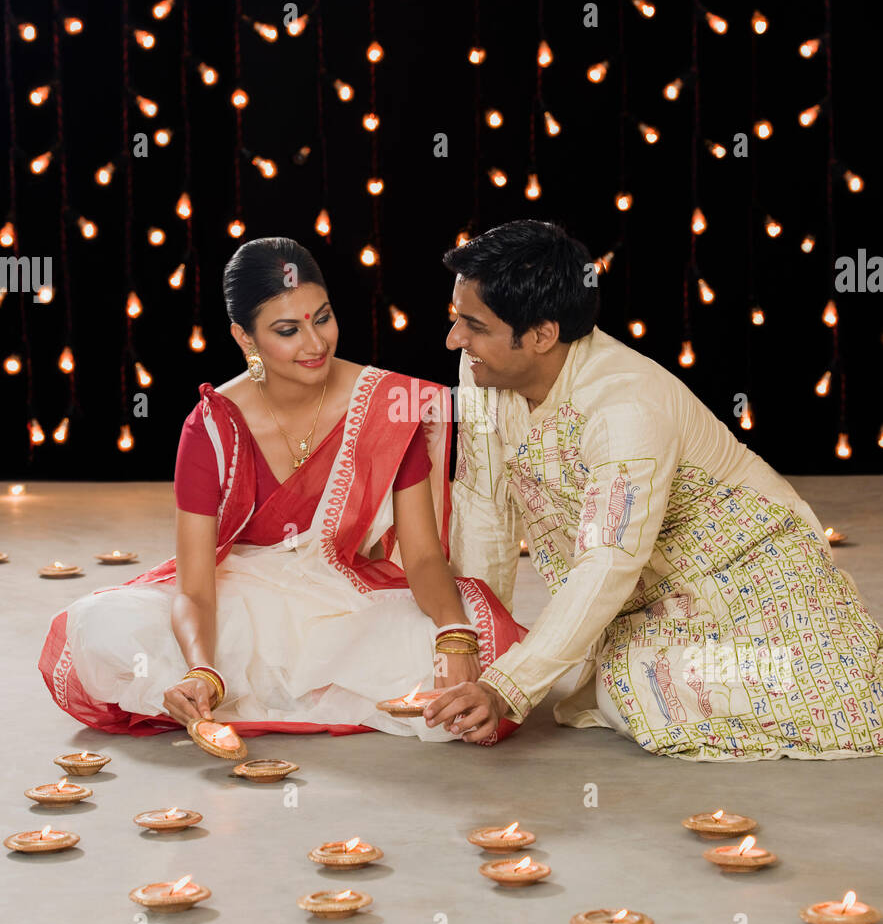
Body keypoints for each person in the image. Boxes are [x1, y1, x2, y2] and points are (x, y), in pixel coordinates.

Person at [423, 219, 883, 761]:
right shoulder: (484, 370)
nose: (455, 339)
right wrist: (483, 641)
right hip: (650, 599)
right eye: (458, 320)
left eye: (472, 325)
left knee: (638, 684)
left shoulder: (625, 407)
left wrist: (507, 685)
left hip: (753, 579)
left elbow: (607, 561)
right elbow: (483, 505)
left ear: (543, 334)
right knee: (609, 676)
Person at [38, 238, 525, 744]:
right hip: (237, 605)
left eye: (323, 318)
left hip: (343, 603)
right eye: (287, 330)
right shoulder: (211, 426)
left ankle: (283, 688)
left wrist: (453, 634)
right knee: (101, 626)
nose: (315, 344)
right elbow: (196, 585)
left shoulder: (387, 404)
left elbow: (423, 556)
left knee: (478, 652)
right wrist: (201, 669)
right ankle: (230, 689)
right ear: (244, 338)